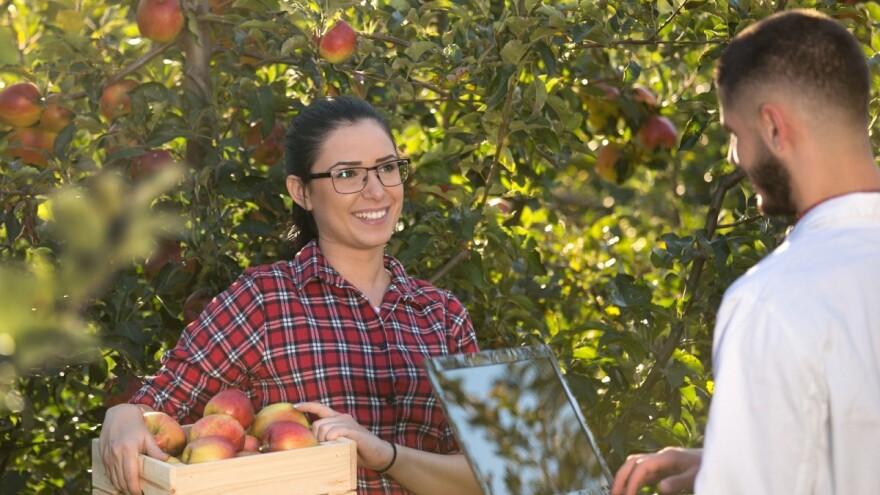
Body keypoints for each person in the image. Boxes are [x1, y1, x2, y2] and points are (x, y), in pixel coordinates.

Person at [98, 96, 483, 495]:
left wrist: (384, 455)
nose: (376, 190)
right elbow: (158, 407)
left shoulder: (441, 315)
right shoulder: (264, 301)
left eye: (387, 168)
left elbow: (485, 476)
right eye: (348, 174)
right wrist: (123, 415)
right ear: (302, 192)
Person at [612, 9, 880, 495]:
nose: (734, 157)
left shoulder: (772, 301)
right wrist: (723, 460)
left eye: (735, 134)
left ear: (774, 127)